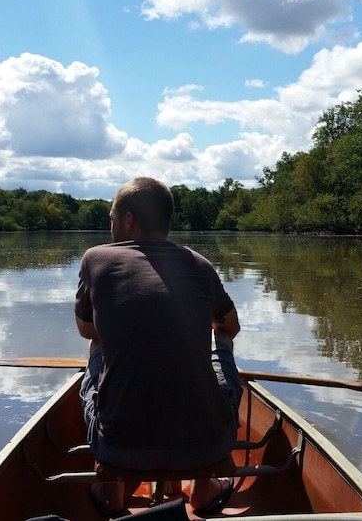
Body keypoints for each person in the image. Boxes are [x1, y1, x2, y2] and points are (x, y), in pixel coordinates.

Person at [74, 177, 242, 517]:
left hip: (120, 448)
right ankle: (205, 490)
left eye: (111, 218)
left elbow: (86, 329)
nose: (111, 226)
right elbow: (231, 327)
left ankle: (112, 493)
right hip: (206, 445)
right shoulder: (198, 263)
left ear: (128, 220)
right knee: (219, 338)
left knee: (96, 346)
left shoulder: (96, 259)